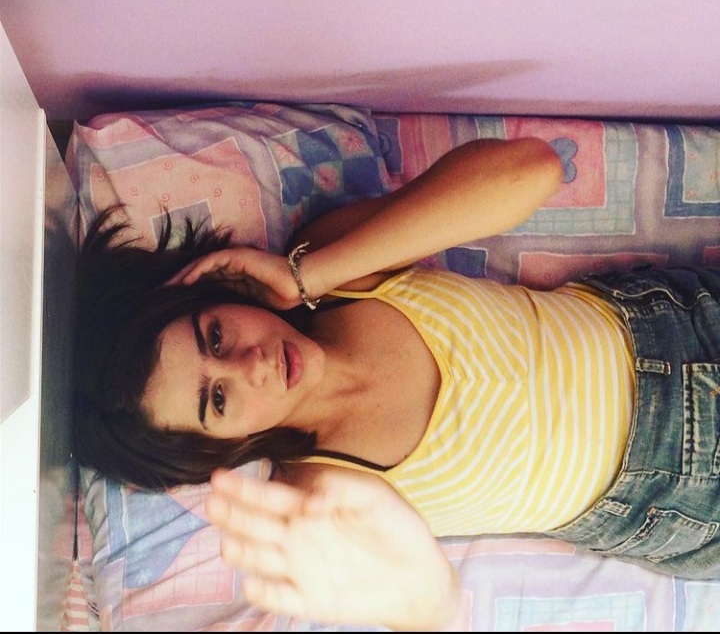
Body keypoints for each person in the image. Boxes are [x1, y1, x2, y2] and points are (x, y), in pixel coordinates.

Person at [74, 137, 720, 631]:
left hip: (673, 322)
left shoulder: (332, 275)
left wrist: (306, 276)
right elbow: (414, 599)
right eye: (218, 400)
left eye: (215, 335)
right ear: (218, 446)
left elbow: (534, 170)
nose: (253, 365)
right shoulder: (321, 491)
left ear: (216, 291)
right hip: (673, 494)